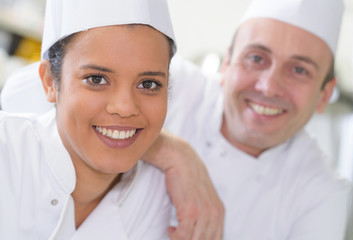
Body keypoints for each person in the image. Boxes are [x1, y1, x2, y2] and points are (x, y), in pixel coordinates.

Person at [0, 0, 351, 239]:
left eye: (299, 70)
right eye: (256, 58)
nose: (268, 86)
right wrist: (171, 152)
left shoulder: (324, 192)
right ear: (226, 64)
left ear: (325, 94)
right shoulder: (172, 81)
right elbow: (20, 93)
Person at [0, 0, 225, 239]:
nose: (125, 107)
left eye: (148, 84)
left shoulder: (161, 200)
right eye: (96, 79)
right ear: (49, 81)